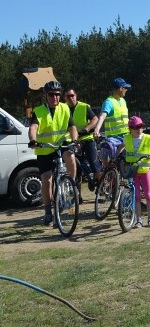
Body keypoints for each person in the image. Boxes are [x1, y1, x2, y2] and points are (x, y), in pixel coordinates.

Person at [28, 81, 78, 225]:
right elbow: (33, 128)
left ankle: (70, 184)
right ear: (46, 96)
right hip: (44, 149)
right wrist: (33, 140)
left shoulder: (65, 108)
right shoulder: (39, 111)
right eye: (51, 95)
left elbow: (72, 126)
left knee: (71, 156)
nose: (55, 97)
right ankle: (48, 211)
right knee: (47, 179)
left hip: (61, 145)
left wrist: (74, 140)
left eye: (57, 94)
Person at [117, 116, 150, 228]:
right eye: (136, 127)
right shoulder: (127, 138)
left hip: (144, 171)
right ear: (130, 129)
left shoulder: (148, 137)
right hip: (132, 171)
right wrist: (118, 155)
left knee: (148, 194)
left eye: (141, 126)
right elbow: (121, 147)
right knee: (136, 196)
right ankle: (138, 220)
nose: (139, 129)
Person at [64, 88, 102, 199]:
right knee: (76, 169)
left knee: (95, 165)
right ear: (64, 98)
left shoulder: (84, 106)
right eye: (68, 96)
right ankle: (77, 196)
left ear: (76, 95)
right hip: (73, 141)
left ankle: (101, 191)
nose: (71, 98)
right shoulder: (62, 108)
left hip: (87, 138)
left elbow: (95, 119)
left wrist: (86, 129)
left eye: (72, 95)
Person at [93, 77, 131, 167]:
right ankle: (108, 175)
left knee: (131, 160)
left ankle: (129, 180)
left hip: (126, 135)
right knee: (106, 154)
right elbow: (102, 116)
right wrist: (97, 130)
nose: (126, 90)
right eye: (125, 88)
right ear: (120, 88)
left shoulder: (123, 101)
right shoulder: (109, 102)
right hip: (113, 137)